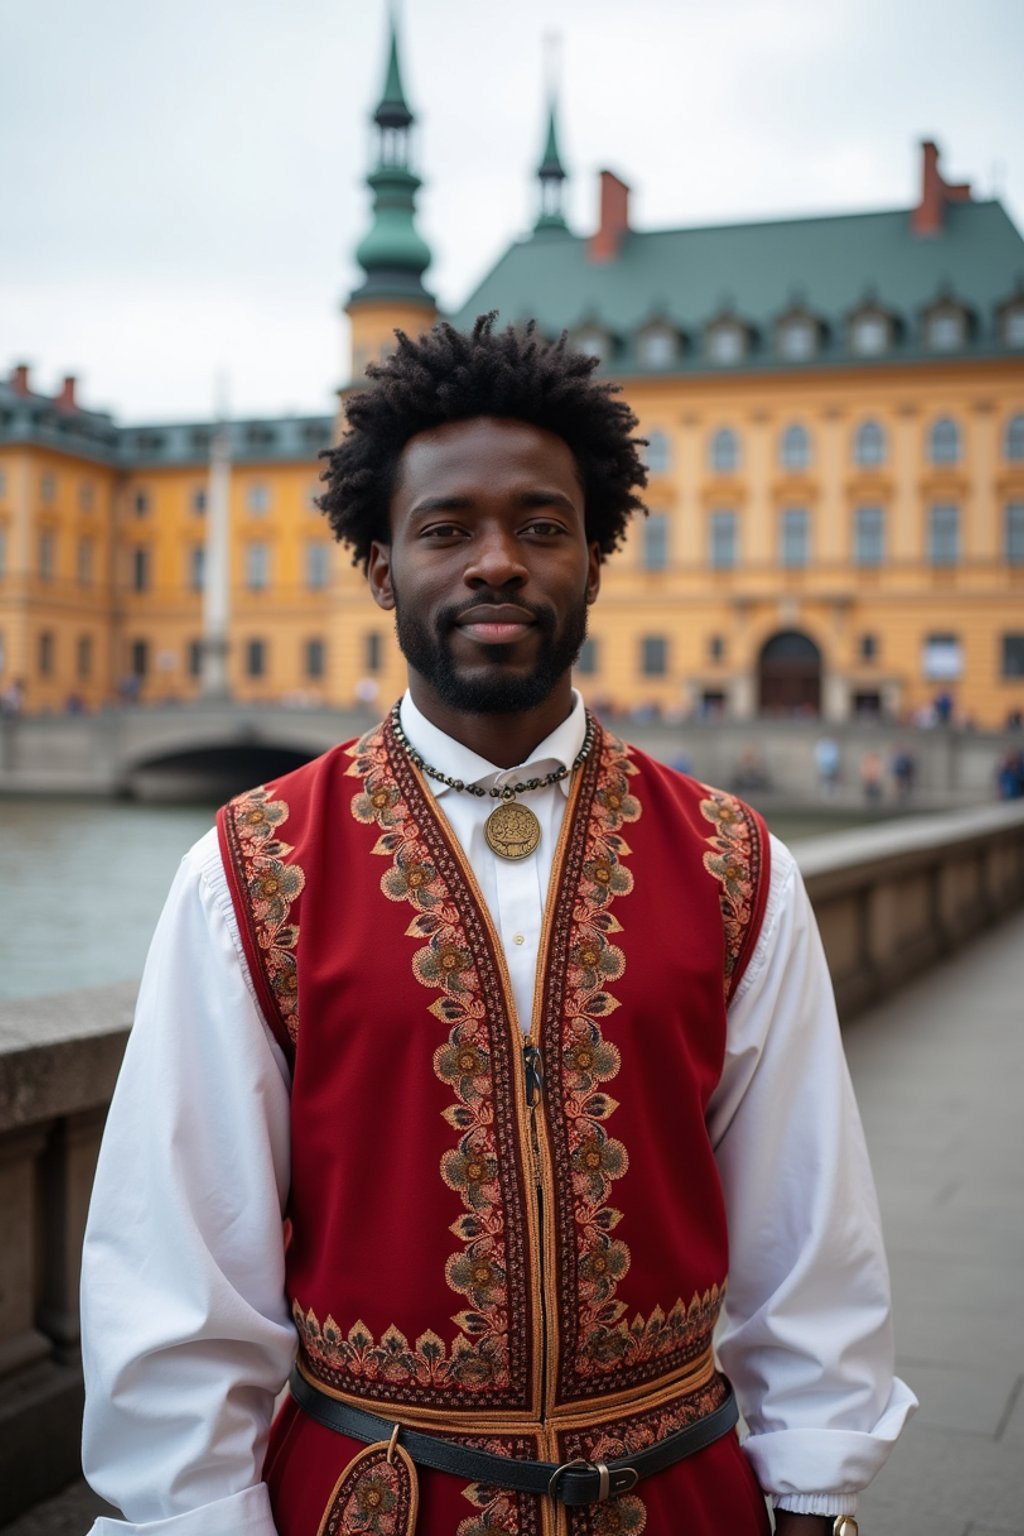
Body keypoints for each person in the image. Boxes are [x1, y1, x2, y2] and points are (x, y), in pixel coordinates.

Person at [81, 317, 914, 1536]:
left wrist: (812, 1492)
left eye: (540, 526)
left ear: (595, 555)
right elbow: (181, 1264)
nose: (497, 563)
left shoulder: (736, 863)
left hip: (680, 1499)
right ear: (379, 565)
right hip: (378, 1503)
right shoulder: (250, 869)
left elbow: (810, 1225)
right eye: (446, 529)